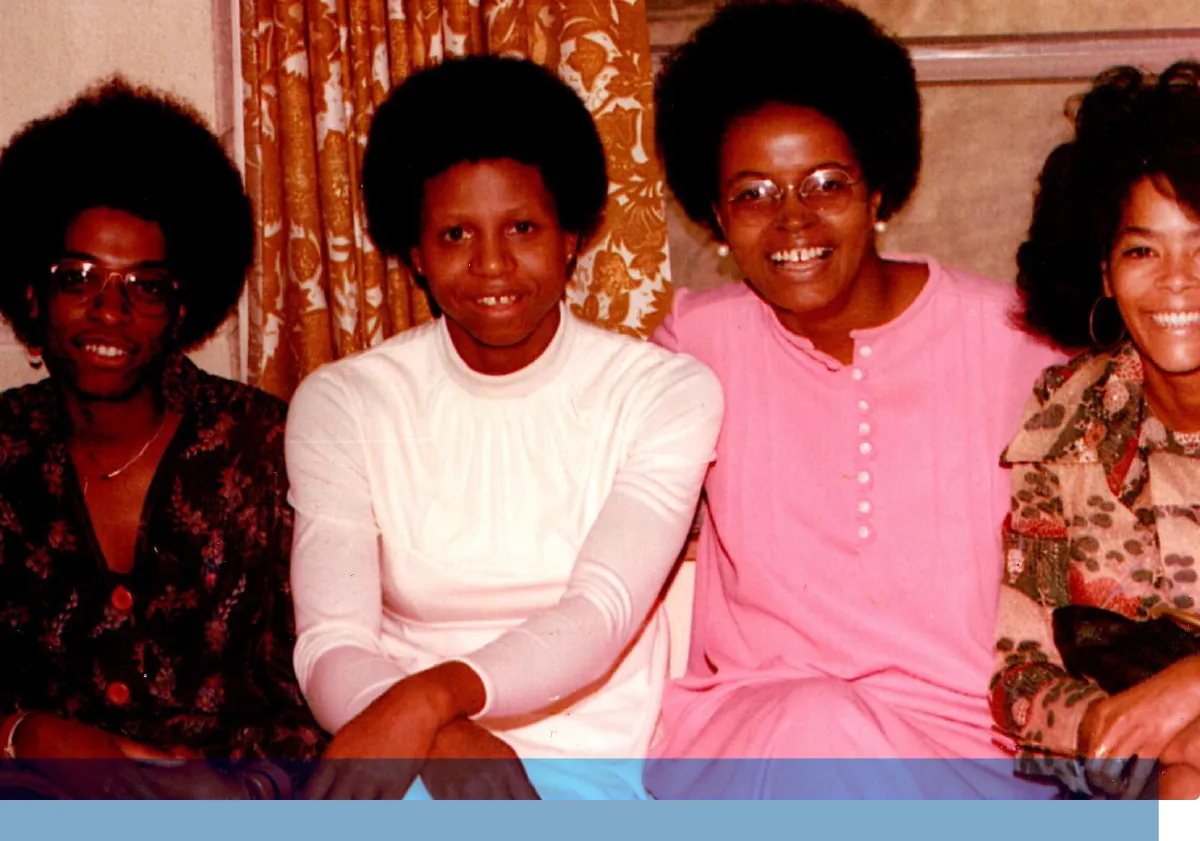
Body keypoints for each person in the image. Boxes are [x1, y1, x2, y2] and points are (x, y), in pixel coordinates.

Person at [641, 0, 1064, 799]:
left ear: (879, 189)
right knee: (819, 722)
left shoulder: (1019, 341)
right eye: (755, 193)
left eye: (826, 183)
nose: (793, 218)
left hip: (976, 750)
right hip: (760, 731)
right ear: (716, 217)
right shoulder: (695, 346)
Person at [284, 55, 723, 800]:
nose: (492, 265)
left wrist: (431, 699)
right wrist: (438, 734)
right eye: (456, 234)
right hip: (402, 748)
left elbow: (600, 610)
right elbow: (332, 639)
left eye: (522, 226)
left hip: (596, 756)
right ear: (414, 254)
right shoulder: (345, 402)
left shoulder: (665, 391)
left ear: (572, 236)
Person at [0, 79, 323, 799]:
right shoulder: (5, 451)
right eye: (77, 277)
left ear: (182, 311)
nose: (109, 310)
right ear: (32, 297)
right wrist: (33, 734)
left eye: (145, 286)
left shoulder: (258, 446)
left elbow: (319, 682)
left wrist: (243, 793)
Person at [992, 62, 1200, 800]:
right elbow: (1019, 679)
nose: (1179, 279)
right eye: (1143, 249)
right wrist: (1129, 725)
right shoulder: (1066, 416)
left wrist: (1190, 688)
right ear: (1105, 272)